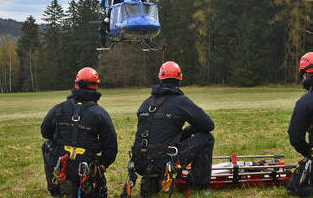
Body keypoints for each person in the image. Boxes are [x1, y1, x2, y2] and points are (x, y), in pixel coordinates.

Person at [131, 61, 215, 197]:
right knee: (207, 138)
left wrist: (186, 132)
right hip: (164, 160)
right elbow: (209, 125)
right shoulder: (180, 101)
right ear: (179, 79)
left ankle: (153, 180)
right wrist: (193, 128)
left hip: (141, 162)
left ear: (160, 78)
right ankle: (199, 185)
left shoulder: (146, 103)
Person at [41, 67, 117, 198]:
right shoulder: (100, 114)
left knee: (47, 145)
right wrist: (101, 164)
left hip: (61, 167)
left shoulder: (59, 109)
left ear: (76, 85)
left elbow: (45, 132)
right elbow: (111, 147)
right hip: (86, 170)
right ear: (95, 87)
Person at [287, 52, 313, 196]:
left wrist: (309, 153)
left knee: (297, 187)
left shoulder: (305, 103)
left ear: (306, 75)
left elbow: (295, 137)